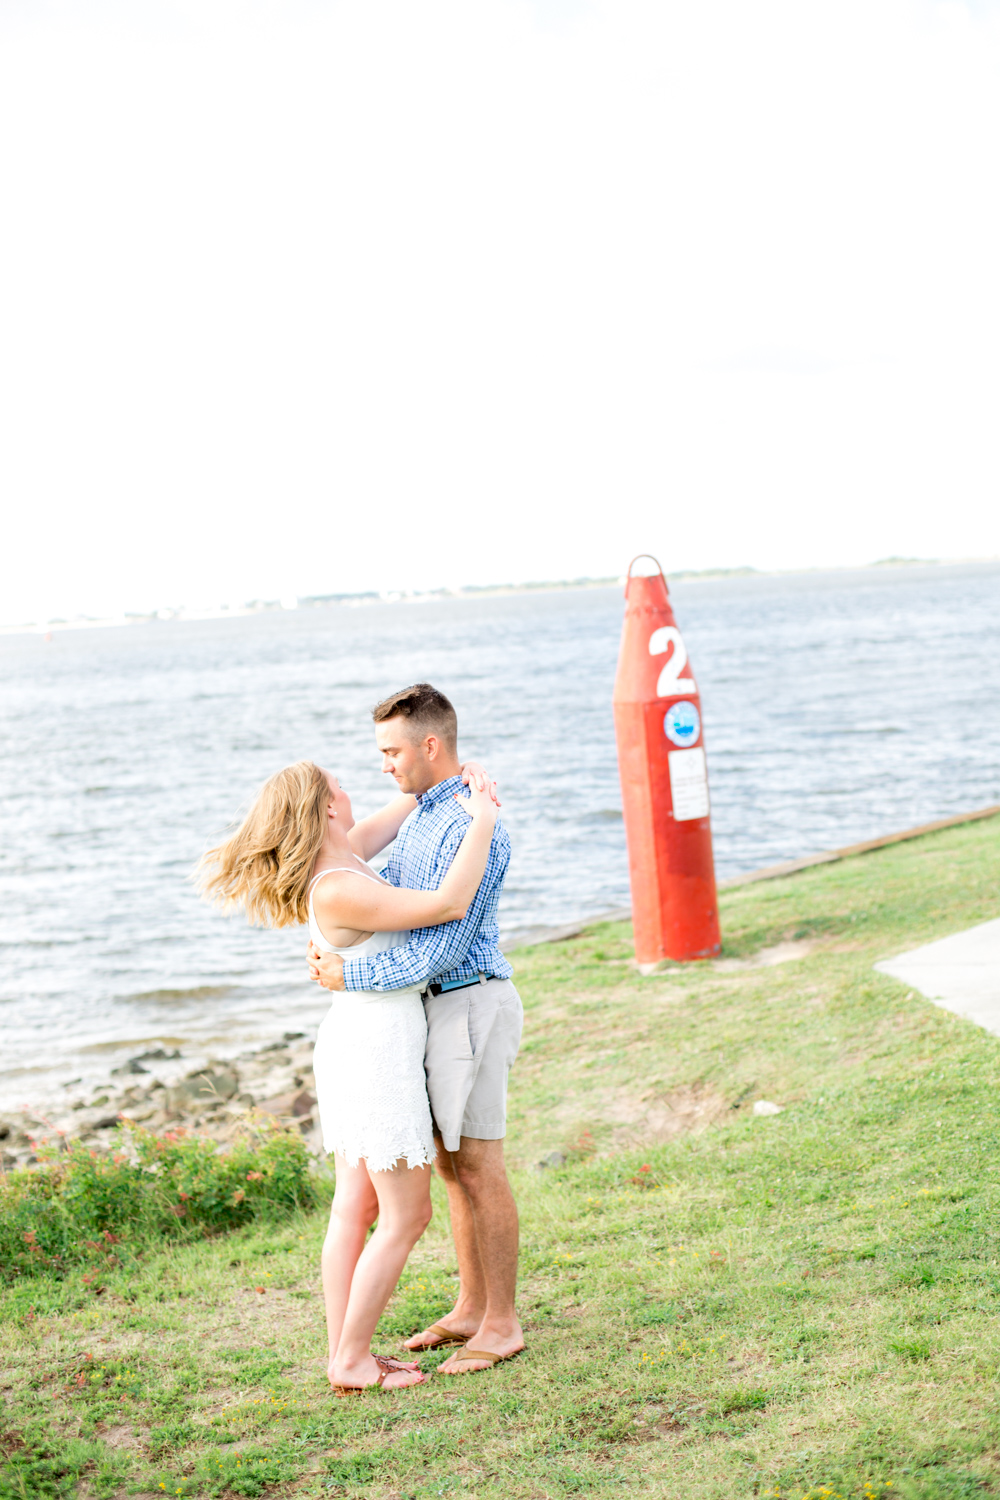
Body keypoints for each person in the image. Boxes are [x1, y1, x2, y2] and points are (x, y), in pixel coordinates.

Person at [199, 757, 498, 1393]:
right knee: (405, 1215)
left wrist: (446, 775)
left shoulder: (344, 858)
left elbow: (406, 806)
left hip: (358, 1040)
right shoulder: (337, 884)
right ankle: (352, 1359)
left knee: (355, 1206)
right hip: (375, 1052)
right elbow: (448, 903)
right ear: (328, 807)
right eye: (341, 786)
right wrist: (483, 820)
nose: (353, 790)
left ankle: (345, 1355)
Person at [309, 683, 525, 1377]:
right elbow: (388, 901)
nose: (383, 765)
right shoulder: (427, 813)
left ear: (429, 745)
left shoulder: (469, 823)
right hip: (434, 1010)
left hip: (469, 998)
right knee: (452, 1165)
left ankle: (501, 1323)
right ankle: (470, 1306)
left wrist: (349, 974)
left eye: (391, 751)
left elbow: (441, 944)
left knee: (478, 1164)